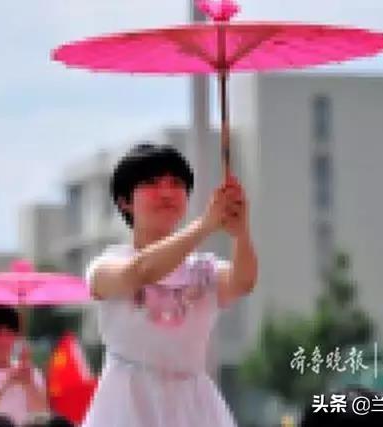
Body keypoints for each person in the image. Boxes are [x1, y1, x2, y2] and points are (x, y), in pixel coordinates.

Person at [82, 143, 258, 427]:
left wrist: (241, 232)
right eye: (152, 183)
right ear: (125, 201)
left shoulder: (203, 269)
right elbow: (142, 272)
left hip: (193, 405)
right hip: (128, 403)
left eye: (176, 183)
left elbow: (243, 282)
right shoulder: (106, 266)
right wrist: (205, 225)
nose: (166, 193)